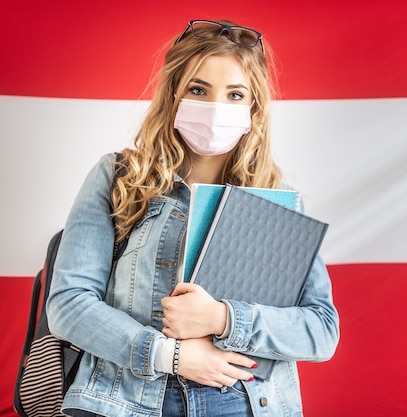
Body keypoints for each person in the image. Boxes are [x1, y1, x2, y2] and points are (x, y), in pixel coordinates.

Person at [46, 19, 340, 417]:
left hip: (244, 402)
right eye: (199, 89)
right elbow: (69, 304)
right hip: (122, 402)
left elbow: (320, 332)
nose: (216, 108)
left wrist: (222, 317)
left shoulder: (277, 200)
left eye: (235, 94)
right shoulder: (119, 177)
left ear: (253, 109)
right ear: (173, 95)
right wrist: (169, 354)